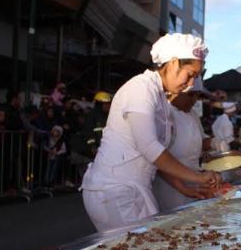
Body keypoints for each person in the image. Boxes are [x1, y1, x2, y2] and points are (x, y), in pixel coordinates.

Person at [81, 33, 220, 231]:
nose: (190, 84)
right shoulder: (140, 88)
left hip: (136, 189)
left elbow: (156, 157)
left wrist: (182, 187)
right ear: (173, 63)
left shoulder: (161, 97)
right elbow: (149, 147)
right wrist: (197, 177)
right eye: (190, 75)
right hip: (112, 190)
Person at [153, 77, 212, 212]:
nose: (193, 100)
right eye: (190, 95)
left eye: (196, 95)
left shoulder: (193, 114)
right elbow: (156, 157)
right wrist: (182, 187)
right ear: (177, 91)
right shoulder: (164, 113)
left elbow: (202, 142)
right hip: (169, 186)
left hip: (194, 181)